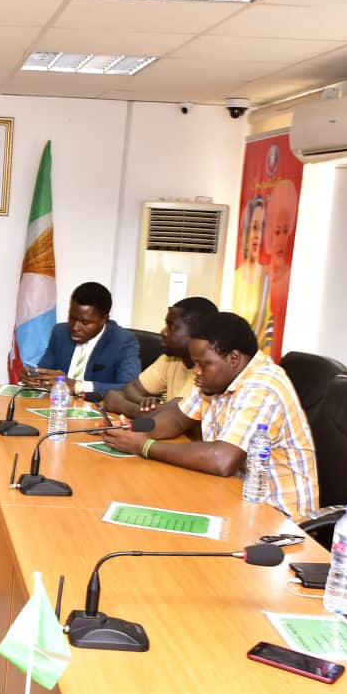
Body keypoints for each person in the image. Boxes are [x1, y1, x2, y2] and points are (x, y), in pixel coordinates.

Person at [101, 312, 317, 519]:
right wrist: (131, 431)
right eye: (195, 363)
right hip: (235, 496)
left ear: (234, 358)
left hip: (280, 518)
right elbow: (176, 419)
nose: (196, 371)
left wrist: (145, 446)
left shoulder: (263, 388)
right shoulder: (216, 378)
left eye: (203, 364)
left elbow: (221, 459)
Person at [102, 297, 218, 419]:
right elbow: (132, 387)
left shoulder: (207, 374)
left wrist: (120, 405)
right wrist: (143, 401)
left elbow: (172, 417)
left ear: (196, 332)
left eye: (172, 327)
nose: (163, 332)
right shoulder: (170, 360)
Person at [20, 281, 140, 394]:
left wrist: (78, 386)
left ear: (104, 319)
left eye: (85, 322)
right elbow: (44, 371)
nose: (75, 327)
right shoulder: (60, 332)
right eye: (72, 318)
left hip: (94, 406)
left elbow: (130, 388)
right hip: (58, 403)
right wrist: (32, 377)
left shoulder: (123, 341)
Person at [264, 181, 298, 359]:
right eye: (277, 232)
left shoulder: (291, 278)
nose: (281, 239)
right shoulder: (261, 276)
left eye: (285, 231)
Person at [231, 196, 271, 348]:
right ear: (245, 231)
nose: (257, 235)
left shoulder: (268, 279)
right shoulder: (235, 278)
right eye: (254, 227)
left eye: (261, 228)